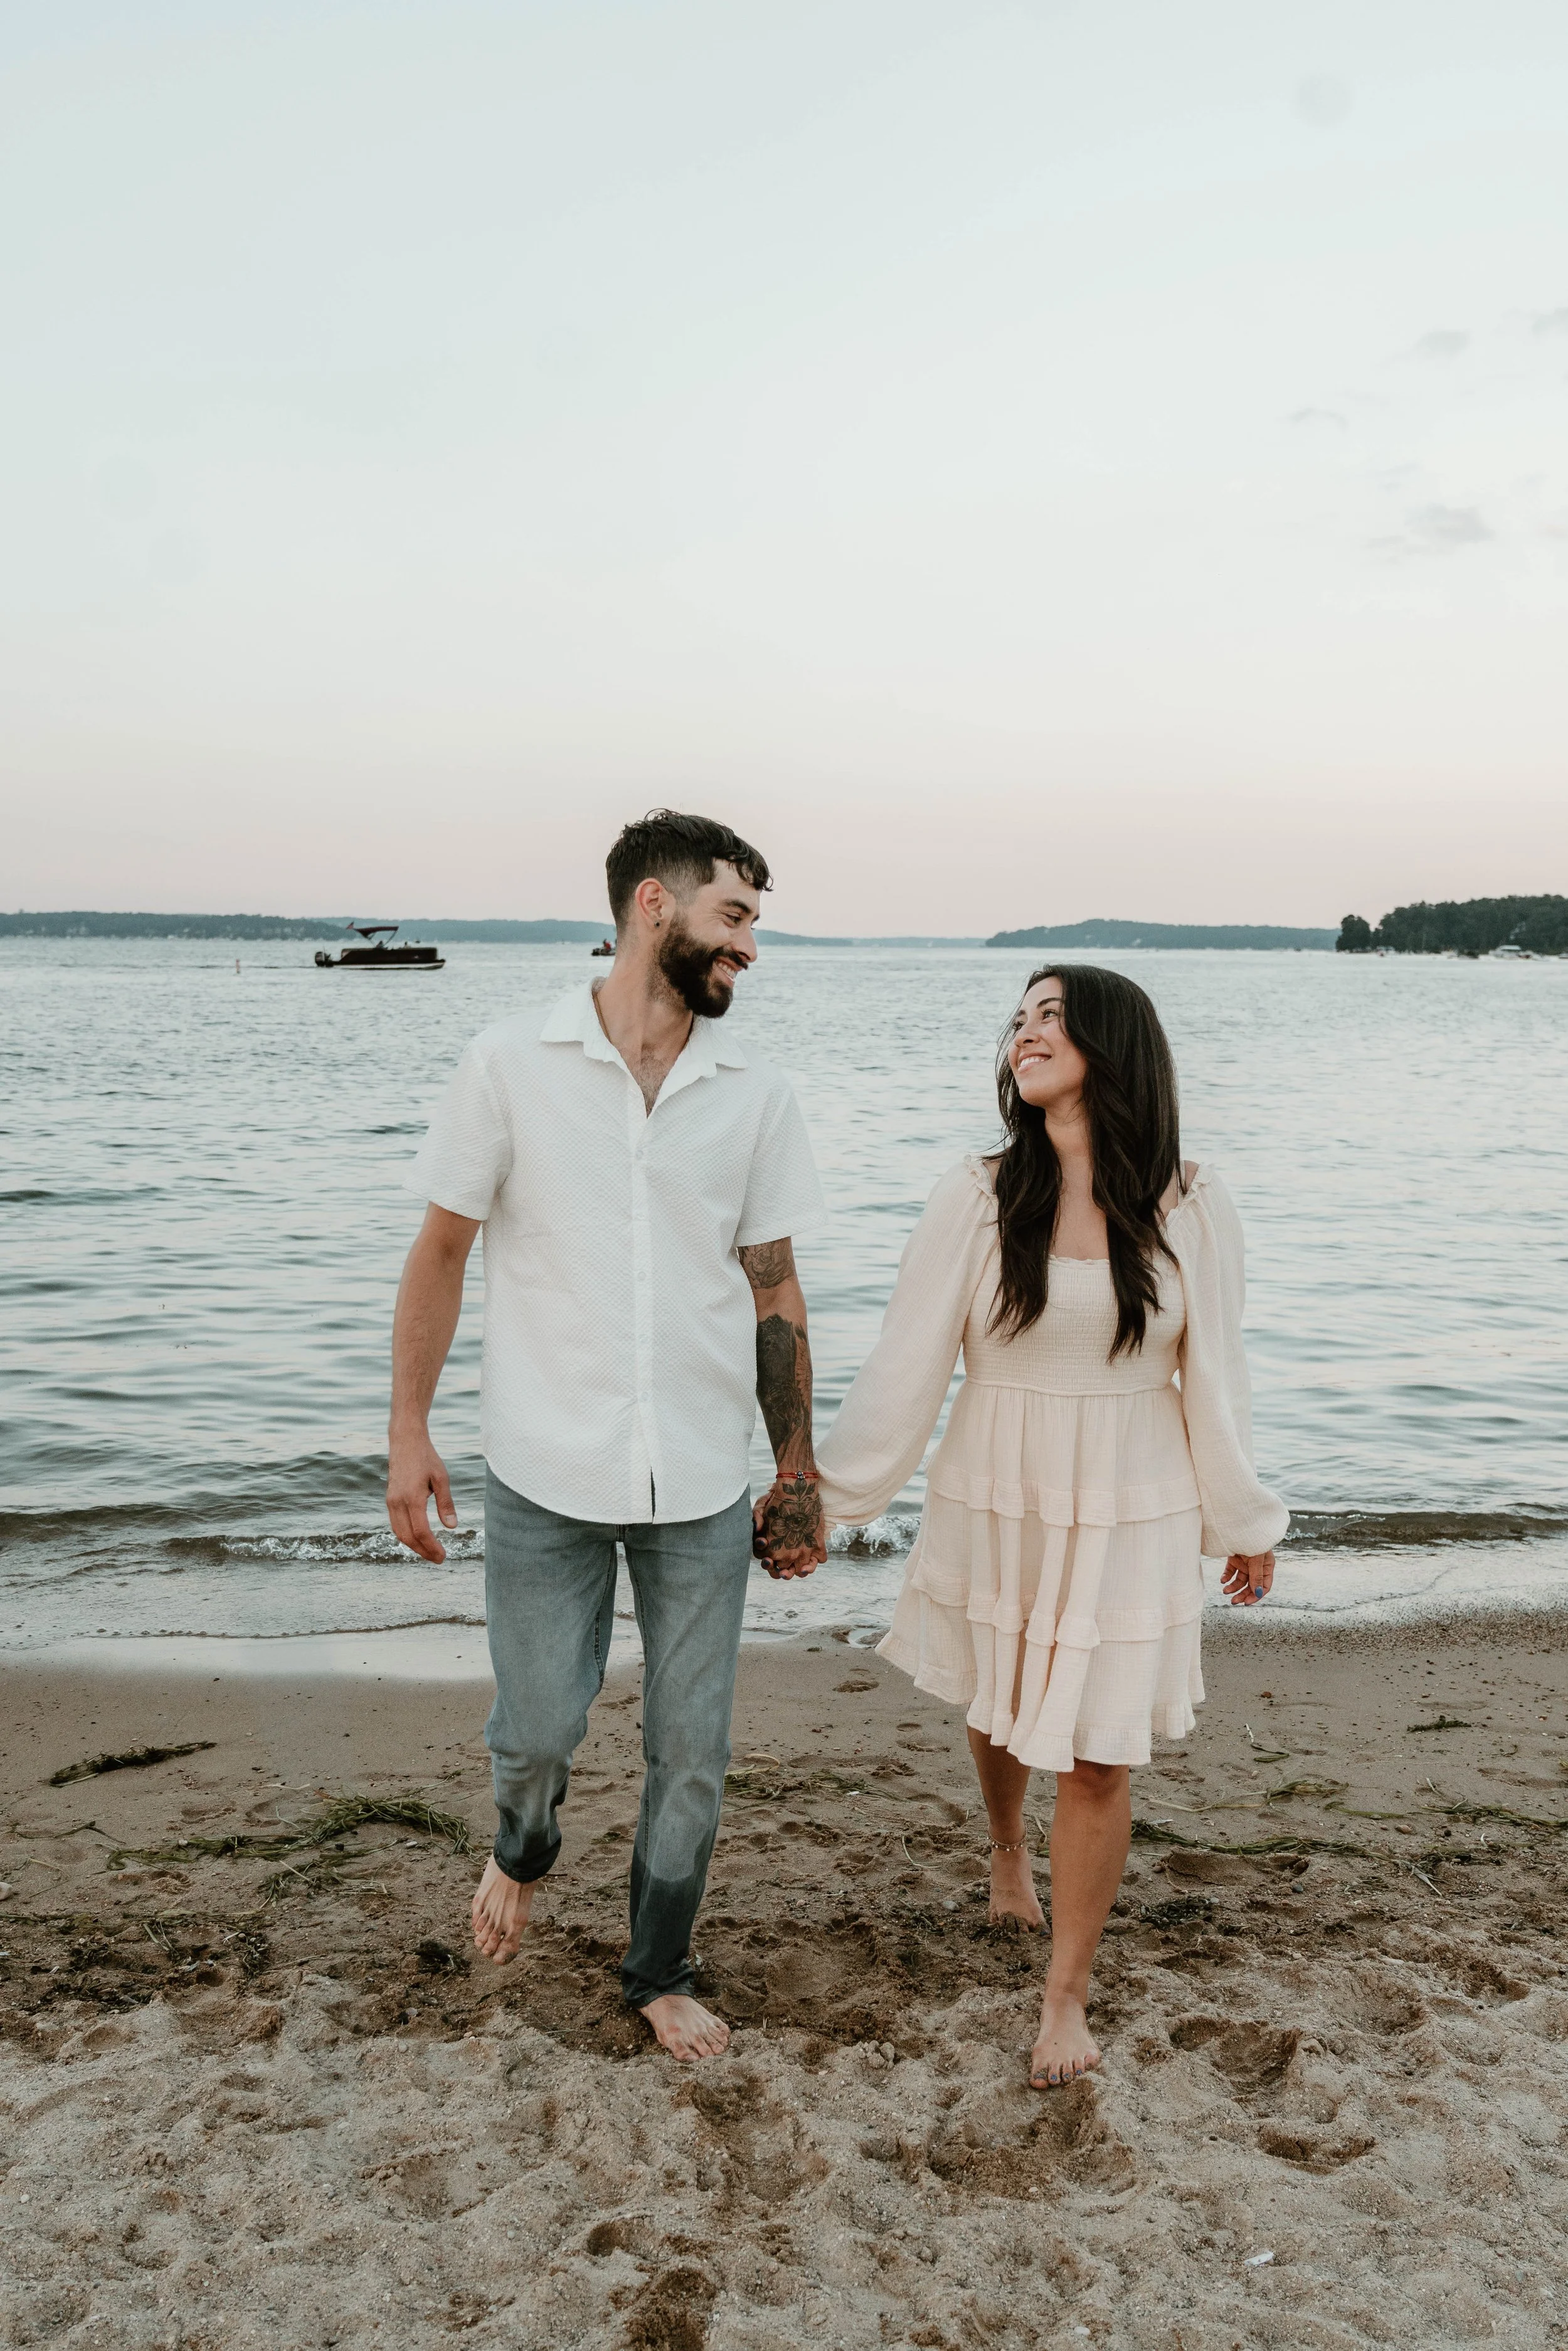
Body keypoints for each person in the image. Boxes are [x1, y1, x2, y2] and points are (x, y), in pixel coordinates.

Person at [776, 963, 1286, 2089]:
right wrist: (825, 1495)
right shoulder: (976, 1193)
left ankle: (1066, 1998)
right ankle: (1007, 1846)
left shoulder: (1193, 1203)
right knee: (1006, 1698)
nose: (1027, 1034)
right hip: (1000, 1484)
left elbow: (1220, 1378)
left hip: (1133, 1495)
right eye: (1020, 1019)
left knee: (1099, 1754)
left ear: (1116, 1044)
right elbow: (909, 1363)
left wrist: (1244, 1518)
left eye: (1053, 1016)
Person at [386, 810, 829, 2062]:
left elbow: (774, 1286)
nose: (747, 946)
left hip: (695, 1476)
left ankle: (659, 1962)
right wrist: (406, 1428)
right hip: (542, 1467)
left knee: (693, 1753)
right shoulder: (509, 1063)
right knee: (534, 1732)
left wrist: (795, 1469)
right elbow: (441, 1250)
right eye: (732, 918)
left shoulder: (754, 1093)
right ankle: (520, 1844)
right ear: (654, 906)